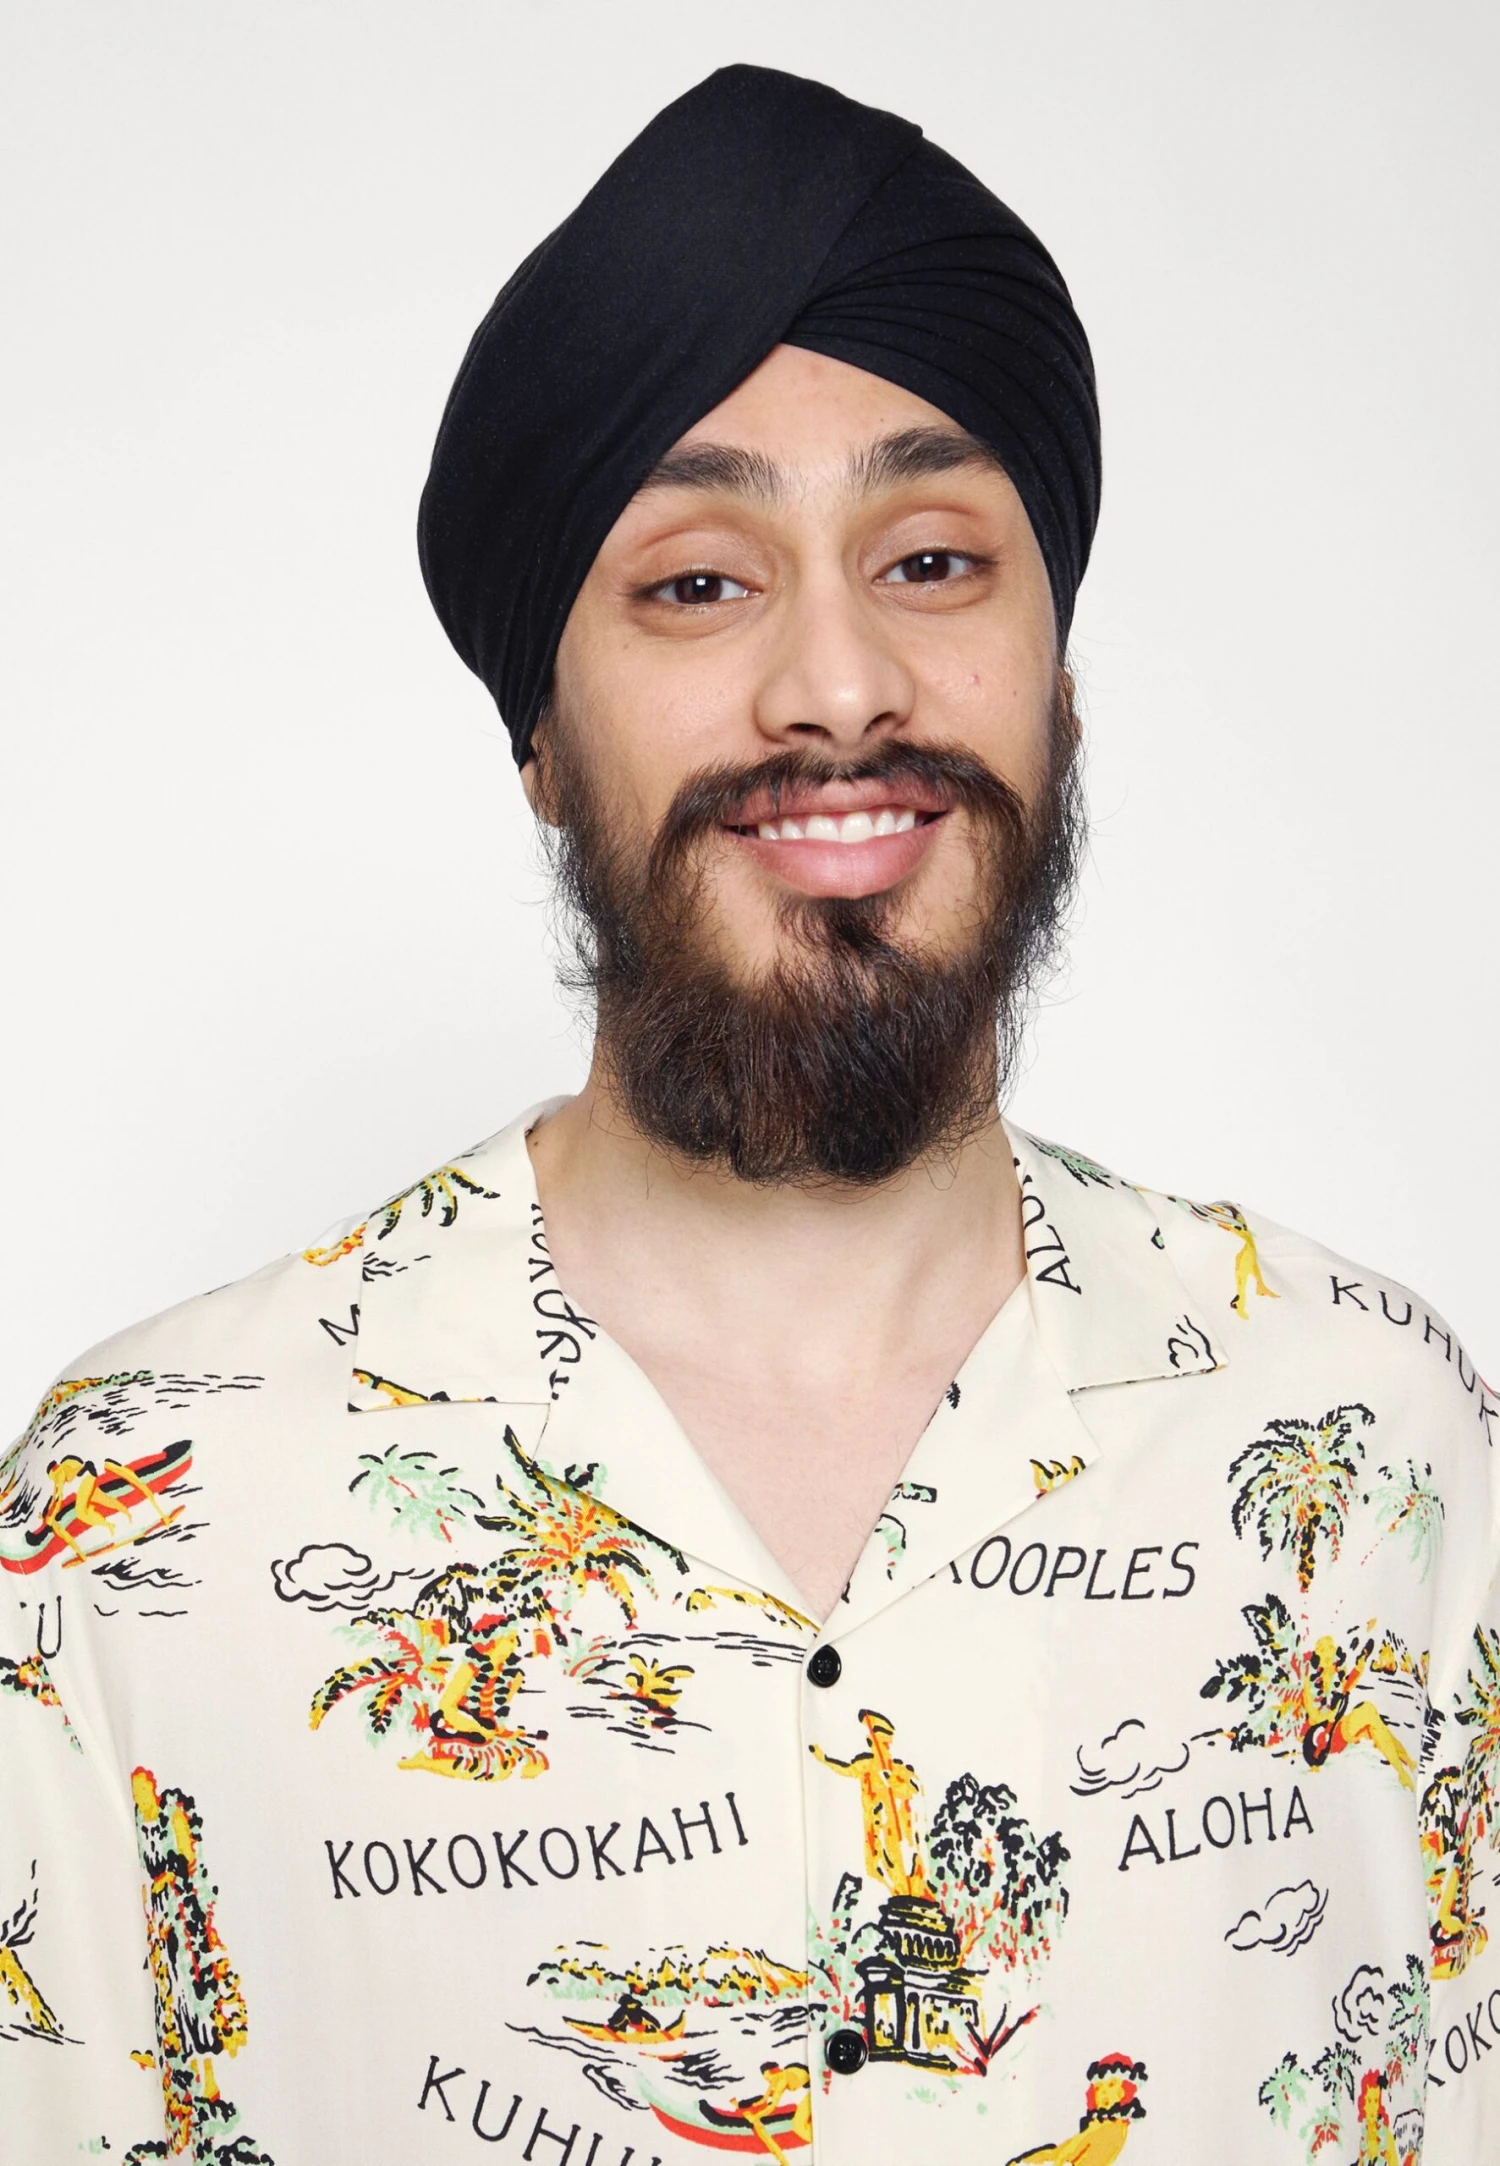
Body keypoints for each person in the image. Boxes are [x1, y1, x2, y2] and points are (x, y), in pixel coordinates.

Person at [1, 61, 1494, 2166]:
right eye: (699, 583)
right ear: (541, 732)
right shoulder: (137, 1528)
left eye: (934, 559)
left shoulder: (1375, 1449)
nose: (840, 687)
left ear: (1061, 677)